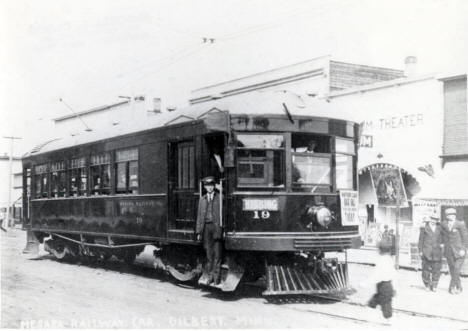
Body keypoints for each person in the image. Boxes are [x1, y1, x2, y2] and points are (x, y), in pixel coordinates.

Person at [196, 176, 222, 285]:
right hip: (206, 228)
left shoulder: (220, 198)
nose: (209, 188)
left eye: (211, 185)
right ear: (205, 187)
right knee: (209, 253)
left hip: (216, 228)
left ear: (214, 186)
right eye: (207, 186)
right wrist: (198, 232)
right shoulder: (202, 199)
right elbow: (199, 216)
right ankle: (210, 276)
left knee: (217, 254)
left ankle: (216, 278)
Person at [367, 239, 396, 322]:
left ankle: (388, 320)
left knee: (385, 304)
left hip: (383, 286)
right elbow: (393, 274)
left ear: (380, 250)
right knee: (376, 301)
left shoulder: (381, 261)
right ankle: (373, 316)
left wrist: (365, 283)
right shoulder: (389, 259)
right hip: (388, 285)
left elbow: (377, 276)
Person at [441, 208, 468, 294]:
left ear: (455, 215)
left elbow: (465, 239)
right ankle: (459, 287)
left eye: (453, 215)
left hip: (459, 252)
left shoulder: (460, 224)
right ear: (447, 216)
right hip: (449, 252)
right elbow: (442, 235)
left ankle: (451, 287)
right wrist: (442, 243)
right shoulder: (444, 224)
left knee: (456, 269)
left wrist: (463, 249)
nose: (451, 216)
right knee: (453, 270)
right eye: (449, 215)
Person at [418, 213, 443, 292]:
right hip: (426, 251)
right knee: (425, 270)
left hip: (437, 252)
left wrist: (442, 245)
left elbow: (442, 238)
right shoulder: (424, 228)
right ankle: (427, 285)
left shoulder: (439, 228)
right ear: (430, 219)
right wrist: (420, 251)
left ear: (437, 221)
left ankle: (434, 285)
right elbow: (420, 240)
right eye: (432, 219)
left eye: (435, 220)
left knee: (436, 270)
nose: (433, 221)